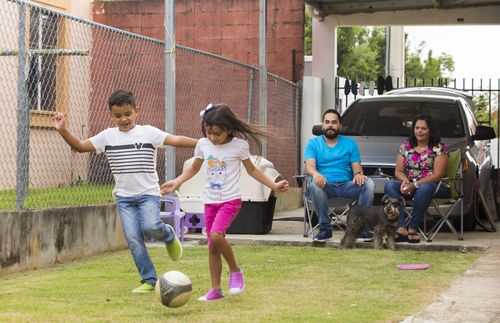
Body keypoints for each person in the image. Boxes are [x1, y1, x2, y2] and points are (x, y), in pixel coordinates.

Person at [52, 90, 198, 293]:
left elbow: (175, 140)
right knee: (133, 240)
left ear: (136, 111)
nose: (123, 119)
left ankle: (167, 234)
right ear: (110, 115)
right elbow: (80, 146)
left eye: (128, 114)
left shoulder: (149, 133)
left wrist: (202, 143)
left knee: (151, 226)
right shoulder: (107, 137)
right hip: (124, 199)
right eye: (118, 115)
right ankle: (148, 280)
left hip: (148, 194)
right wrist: (63, 130)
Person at [161, 103, 289, 302]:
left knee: (216, 235)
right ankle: (216, 290)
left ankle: (235, 271)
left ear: (229, 129)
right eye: (209, 132)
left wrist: (273, 185)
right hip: (210, 202)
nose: (212, 137)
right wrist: (176, 181)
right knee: (212, 246)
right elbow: (193, 169)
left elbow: (253, 170)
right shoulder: (203, 145)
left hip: (230, 201)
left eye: (217, 133)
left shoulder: (239, 146)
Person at [304, 109, 375, 243]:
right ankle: (325, 229)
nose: (330, 125)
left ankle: (360, 228)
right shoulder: (313, 143)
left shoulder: (350, 144)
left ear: (340, 126)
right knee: (314, 183)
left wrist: (359, 175)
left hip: (346, 186)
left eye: (334, 122)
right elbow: (309, 167)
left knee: (369, 184)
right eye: (327, 122)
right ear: (323, 125)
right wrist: (316, 174)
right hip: (324, 186)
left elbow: (357, 168)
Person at [384, 113, 450, 243]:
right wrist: (405, 181)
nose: (419, 131)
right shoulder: (406, 146)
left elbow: (438, 175)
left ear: (430, 130)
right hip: (411, 185)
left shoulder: (439, 148)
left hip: (434, 186)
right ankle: (401, 227)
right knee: (390, 185)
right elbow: (398, 170)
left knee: (424, 188)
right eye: (417, 128)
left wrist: (416, 184)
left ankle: (413, 228)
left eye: (423, 128)